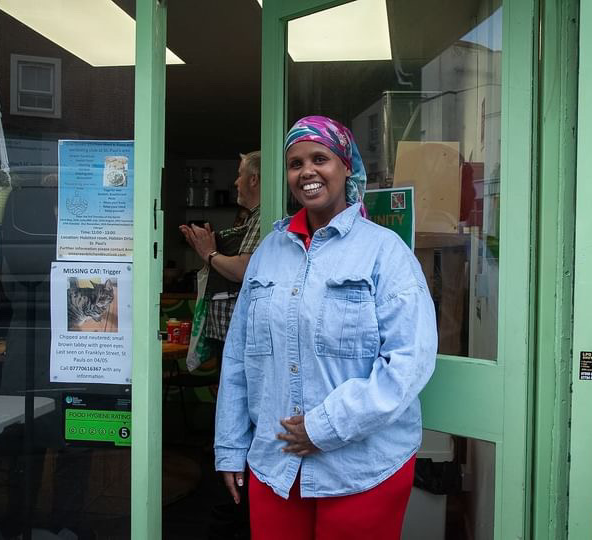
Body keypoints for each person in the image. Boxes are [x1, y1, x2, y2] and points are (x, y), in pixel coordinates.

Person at [214, 116, 437, 540]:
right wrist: (230, 446)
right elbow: (240, 356)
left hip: (362, 467)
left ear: (346, 165)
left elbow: (409, 362)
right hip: (276, 465)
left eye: (320, 158)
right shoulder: (268, 253)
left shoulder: (384, 252)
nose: (307, 172)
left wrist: (325, 426)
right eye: (296, 163)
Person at [180, 151, 262, 346]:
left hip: (237, 333)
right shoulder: (252, 218)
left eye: (239, 174)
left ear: (253, 180)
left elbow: (243, 270)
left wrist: (209, 253)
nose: (235, 182)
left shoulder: (262, 217)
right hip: (229, 331)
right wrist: (204, 250)